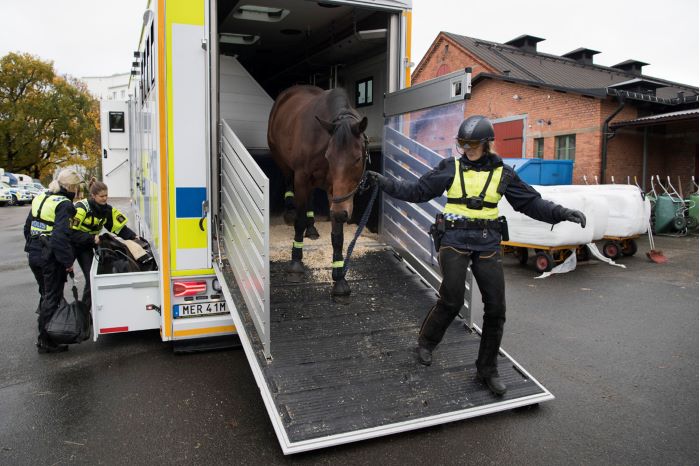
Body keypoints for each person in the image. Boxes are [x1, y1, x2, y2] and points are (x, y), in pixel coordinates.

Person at [367, 115, 586, 396]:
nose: (466, 149)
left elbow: (530, 203)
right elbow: (418, 191)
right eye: (462, 143)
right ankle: (426, 342)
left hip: (487, 244)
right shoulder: (450, 168)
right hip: (454, 241)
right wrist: (384, 182)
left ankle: (487, 369)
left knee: (496, 309)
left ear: (486, 144)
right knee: (453, 298)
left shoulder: (504, 173)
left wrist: (563, 213)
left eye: (471, 144)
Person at [24, 169, 82, 353]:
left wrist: (32, 246)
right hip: (49, 257)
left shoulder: (42, 197)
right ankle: (46, 340)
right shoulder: (64, 205)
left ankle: (45, 332)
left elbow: (28, 227)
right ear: (71, 187)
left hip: (34, 252)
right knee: (52, 296)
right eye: (77, 187)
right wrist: (67, 262)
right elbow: (60, 238)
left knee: (45, 293)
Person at [70, 178, 137, 308]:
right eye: (101, 196)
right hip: (80, 245)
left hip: (94, 241)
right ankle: (85, 310)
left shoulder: (107, 210)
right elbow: (71, 232)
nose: (105, 198)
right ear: (93, 196)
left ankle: (101, 305)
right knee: (91, 277)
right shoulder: (81, 208)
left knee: (104, 272)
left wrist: (134, 237)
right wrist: (90, 238)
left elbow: (119, 228)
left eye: (106, 195)